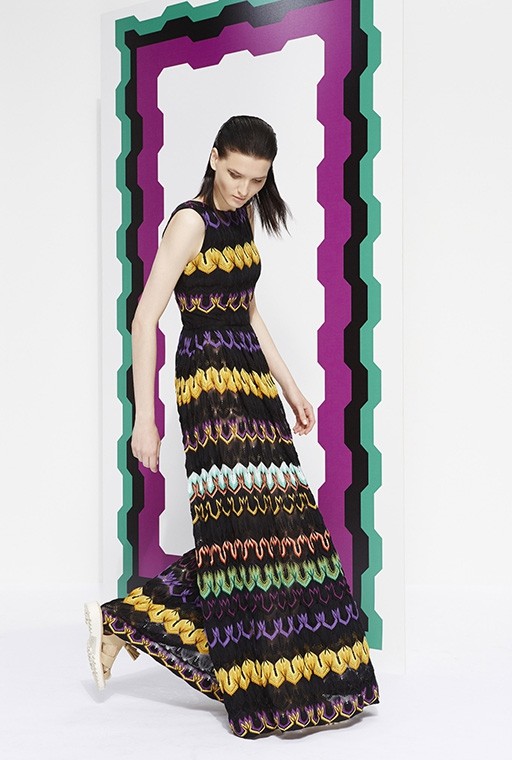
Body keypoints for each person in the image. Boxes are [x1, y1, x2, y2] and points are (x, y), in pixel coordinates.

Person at [85, 115, 379, 738]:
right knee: (240, 533)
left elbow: (249, 312)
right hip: (209, 386)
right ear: (215, 157)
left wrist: (292, 387)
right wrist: (145, 419)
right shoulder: (189, 221)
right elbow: (144, 319)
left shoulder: (242, 217)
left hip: (252, 380)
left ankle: (126, 622)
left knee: (277, 527)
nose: (244, 188)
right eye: (236, 173)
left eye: (257, 179)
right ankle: (162, 638)